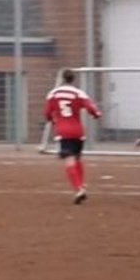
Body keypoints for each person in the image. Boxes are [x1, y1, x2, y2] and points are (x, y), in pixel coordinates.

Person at [43, 69, 102, 204]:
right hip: (78, 131)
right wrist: (97, 114)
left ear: (62, 78)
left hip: (63, 131)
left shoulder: (53, 94)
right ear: (73, 79)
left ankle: (78, 189)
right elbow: (91, 108)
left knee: (69, 161)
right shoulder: (79, 93)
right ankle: (82, 185)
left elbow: (47, 113)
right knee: (77, 158)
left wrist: (52, 120)